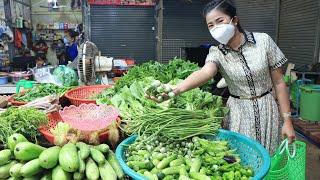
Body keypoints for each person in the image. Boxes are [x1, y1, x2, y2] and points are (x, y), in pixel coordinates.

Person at [149, 0, 295, 154]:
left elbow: (279, 82)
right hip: (239, 113)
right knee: (242, 161)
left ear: (235, 20)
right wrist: (176, 89)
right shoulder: (217, 53)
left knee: (269, 157)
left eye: (220, 21)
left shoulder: (263, 41)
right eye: (211, 25)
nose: (216, 27)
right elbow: (205, 72)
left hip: (268, 110)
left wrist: (287, 120)